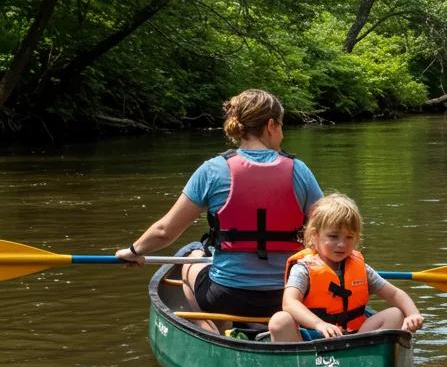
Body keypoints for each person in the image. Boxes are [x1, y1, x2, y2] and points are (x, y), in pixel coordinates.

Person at [115, 89, 323, 322]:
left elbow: (165, 232)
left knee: (191, 253)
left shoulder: (213, 170)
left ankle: (210, 328)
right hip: (289, 296)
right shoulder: (300, 170)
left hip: (228, 296)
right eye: (282, 126)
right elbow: (327, 229)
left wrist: (133, 251)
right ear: (271, 125)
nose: (282, 135)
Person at [268, 193, 423, 341]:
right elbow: (289, 302)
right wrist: (319, 324)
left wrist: (412, 314)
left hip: (354, 339)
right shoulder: (303, 269)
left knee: (395, 314)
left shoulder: (361, 268)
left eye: (349, 237)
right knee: (279, 320)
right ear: (315, 235)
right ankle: (300, 366)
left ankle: (366, 359)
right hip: (311, 338)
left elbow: (395, 294)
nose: (342, 244)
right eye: (333, 236)